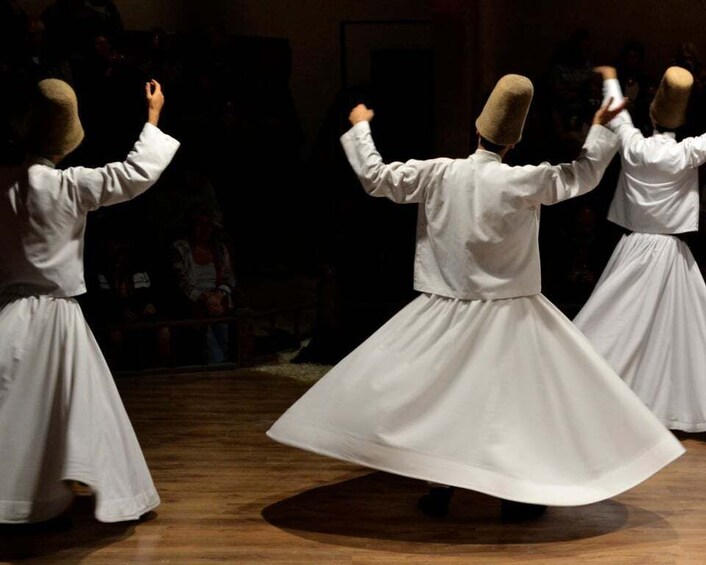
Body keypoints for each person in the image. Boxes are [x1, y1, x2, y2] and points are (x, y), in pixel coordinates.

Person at [267, 74, 684, 521]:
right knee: (511, 405)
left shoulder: (439, 173)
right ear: (513, 143)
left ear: (477, 129)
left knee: (445, 398)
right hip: (510, 314)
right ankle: (510, 493)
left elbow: (376, 177)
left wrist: (360, 128)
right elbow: (582, 174)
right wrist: (600, 129)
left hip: (448, 310)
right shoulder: (522, 181)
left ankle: (443, 487)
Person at [0, 77, 179, 523]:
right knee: (74, 405)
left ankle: (25, 491)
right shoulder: (69, 185)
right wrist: (153, 116)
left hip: (12, 312)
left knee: (17, 405)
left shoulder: (5, 183)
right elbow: (135, 174)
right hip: (56, 315)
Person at [574, 65, 706, 433]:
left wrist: (611, 77)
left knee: (621, 321)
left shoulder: (634, 146)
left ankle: (616, 395)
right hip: (670, 252)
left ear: (651, 114)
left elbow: (616, 112)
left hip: (634, 247)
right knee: (677, 331)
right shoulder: (686, 152)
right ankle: (664, 403)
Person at [172, 204, 235, 364]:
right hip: (194, 302)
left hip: (218, 301)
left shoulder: (219, 249)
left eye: (208, 225)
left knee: (221, 321)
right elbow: (182, 283)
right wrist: (205, 298)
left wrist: (218, 296)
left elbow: (229, 278)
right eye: (200, 224)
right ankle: (217, 363)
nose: (204, 229)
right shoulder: (181, 249)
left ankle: (225, 362)